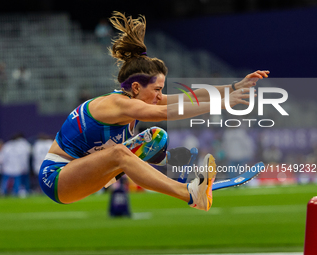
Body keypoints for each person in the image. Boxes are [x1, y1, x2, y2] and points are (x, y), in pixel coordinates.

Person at [39, 11, 269, 211]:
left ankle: (175, 170)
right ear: (137, 87)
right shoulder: (117, 104)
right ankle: (189, 192)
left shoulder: (139, 100)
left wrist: (233, 87)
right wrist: (222, 104)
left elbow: (189, 96)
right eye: (157, 89)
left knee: (156, 137)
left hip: (87, 172)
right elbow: (165, 112)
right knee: (120, 153)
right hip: (57, 177)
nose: (160, 96)